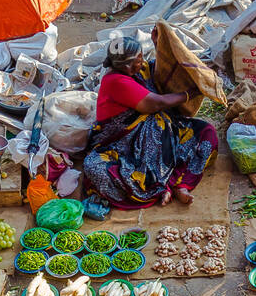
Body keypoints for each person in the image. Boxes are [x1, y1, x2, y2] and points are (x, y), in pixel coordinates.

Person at [82, 35, 219, 208]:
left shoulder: (138, 70)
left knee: (206, 133)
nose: (142, 62)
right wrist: (189, 94)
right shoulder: (115, 81)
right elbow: (155, 103)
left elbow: (161, 69)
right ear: (127, 66)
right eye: (138, 59)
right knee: (97, 168)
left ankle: (180, 184)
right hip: (123, 144)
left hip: (157, 132)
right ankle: (160, 185)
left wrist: (159, 44)